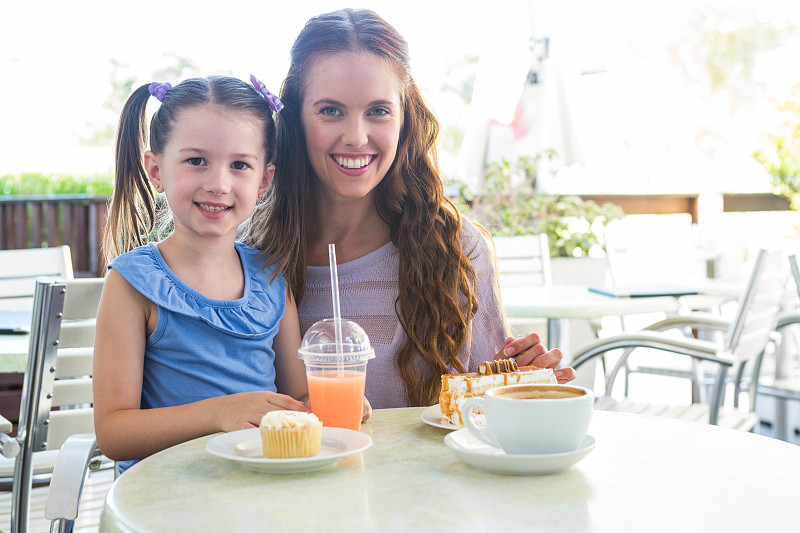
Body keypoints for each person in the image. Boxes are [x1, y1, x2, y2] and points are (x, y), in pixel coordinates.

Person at [244, 8, 576, 410]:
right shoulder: (250, 255)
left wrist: (521, 378)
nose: (356, 136)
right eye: (330, 110)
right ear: (295, 119)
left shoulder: (455, 248)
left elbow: (485, 402)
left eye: (378, 111)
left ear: (405, 119)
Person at [94, 75, 309, 471]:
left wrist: (330, 405)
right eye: (196, 161)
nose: (218, 184)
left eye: (240, 165)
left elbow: (297, 400)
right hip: (165, 501)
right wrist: (219, 414)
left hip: (262, 490)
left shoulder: (272, 279)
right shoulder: (132, 283)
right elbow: (113, 433)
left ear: (264, 180)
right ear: (156, 170)